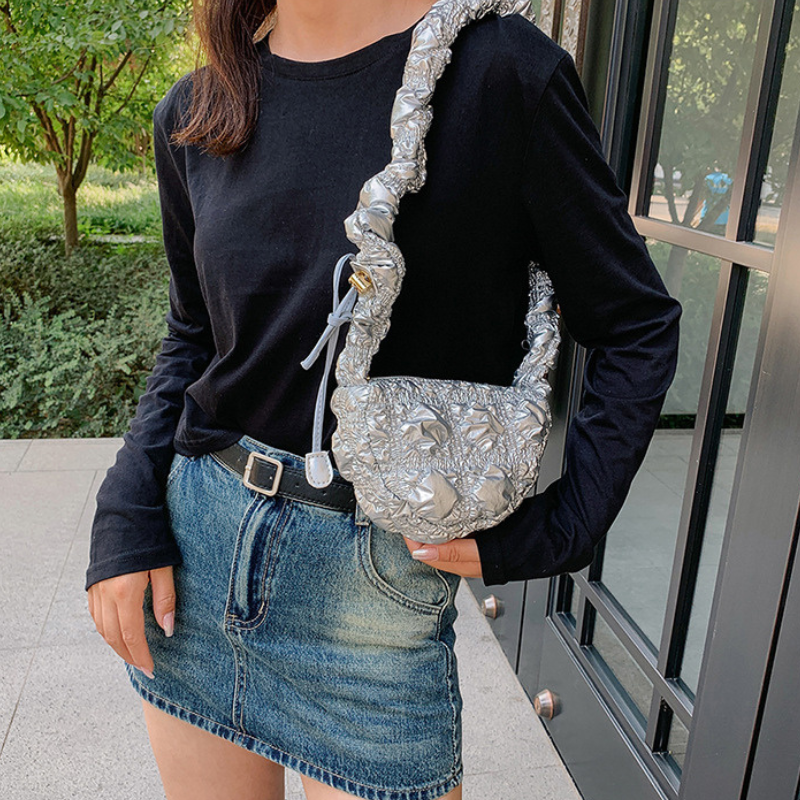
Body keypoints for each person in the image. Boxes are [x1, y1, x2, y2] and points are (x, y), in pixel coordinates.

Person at [85, 1, 682, 798]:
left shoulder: (500, 71)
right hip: (197, 559)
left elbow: (636, 323)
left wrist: (564, 525)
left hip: (375, 591)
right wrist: (124, 513)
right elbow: (194, 335)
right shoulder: (198, 107)